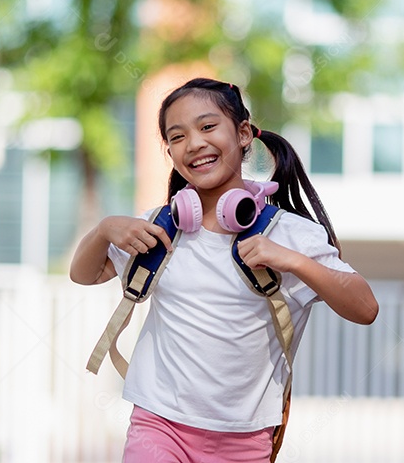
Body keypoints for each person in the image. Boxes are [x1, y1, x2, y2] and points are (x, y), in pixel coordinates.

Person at [70, 77, 379, 463]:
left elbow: (365, 309)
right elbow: (84, 274)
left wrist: (293, 260)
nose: (194, 143)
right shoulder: (162, 225)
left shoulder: (290, 233)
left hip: (244, 437)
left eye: (207, 126)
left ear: (244, 133)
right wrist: (102, 231)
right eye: (177, 136)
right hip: (158, 421)